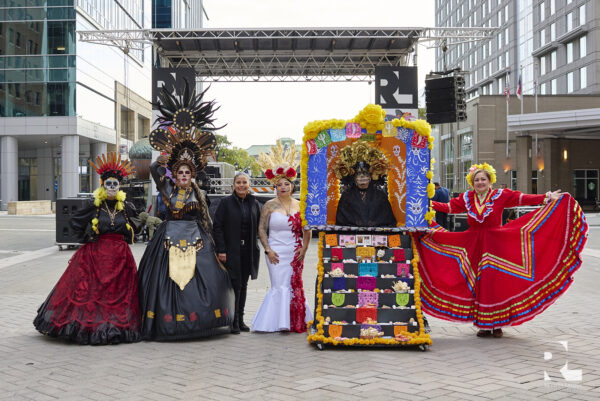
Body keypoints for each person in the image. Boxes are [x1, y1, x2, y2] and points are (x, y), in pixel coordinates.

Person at [414, 163, 588, 338]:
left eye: (483, 179)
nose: (480, 182)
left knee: (493, 283)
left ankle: (496, 325)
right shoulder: (467, 197)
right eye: (476, 180)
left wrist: (547, 197)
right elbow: (449, 207)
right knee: (478, 283)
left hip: (496, 246)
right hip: (473, 246)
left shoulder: (500, 195)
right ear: (472, 182)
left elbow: (523, 198)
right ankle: (484, 324)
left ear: (490, 181)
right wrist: (426, 202)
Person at [137, 81, 235, 340]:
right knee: (163, 281)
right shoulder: (167, 187)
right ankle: (167, 323)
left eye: (186, 172)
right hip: (167, 239)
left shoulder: (198, 194)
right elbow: (156, 171)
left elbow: (206, 220)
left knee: (202, 279)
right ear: (175, 174)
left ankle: (199, 322)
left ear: (192, 174)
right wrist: (160, 159)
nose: (182, 175)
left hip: (196, 238)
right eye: (179, 172)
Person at [34, 153, 141, 344]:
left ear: (119, 186)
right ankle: (91, 326)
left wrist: (133, 228)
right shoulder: (95, 206)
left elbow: (136, 227)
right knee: (92, 293)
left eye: (115, 184)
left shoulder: (126, 206)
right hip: (97, 256)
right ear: (102, 184)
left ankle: (115, 326)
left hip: (120, 257)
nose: (111, 188)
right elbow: (75, 220)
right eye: (108, 184)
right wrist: (88, 237)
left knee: (118, 294)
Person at [252, 144, 313, 332]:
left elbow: (307, 228)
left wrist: (304, 248)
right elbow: (261, 230)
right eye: (280, 184)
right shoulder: (269, 205)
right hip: (275, 252)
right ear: (275, 186)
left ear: (292, 186)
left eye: (287, 184)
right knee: (279, 285)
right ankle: (277, 322)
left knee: (293, 285)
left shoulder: (300, 205)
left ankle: (295, 320)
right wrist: (268, 250)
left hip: (295, 252)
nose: (283, 187)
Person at [213, 172, 262, 334]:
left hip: (248, 251)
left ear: (249, 185)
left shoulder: (254, 203)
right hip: (231, 250)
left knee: (244, 284)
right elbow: (217, 227)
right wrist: (221, 249)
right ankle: (232, 321)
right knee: (235, 285)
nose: (241, 185)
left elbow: (260, 227)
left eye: (244, 182)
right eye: (238, 182)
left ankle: (241, 320)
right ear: (233, 185)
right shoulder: (225, 203)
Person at [333, 141, 396, 227]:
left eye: (365, 173)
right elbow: (341, 221)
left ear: (371, 175)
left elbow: (388, 220)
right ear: (354, 177)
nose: (362, 176)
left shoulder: (380, 195)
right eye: (358, 174)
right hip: (351, 237)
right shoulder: (346, 196)